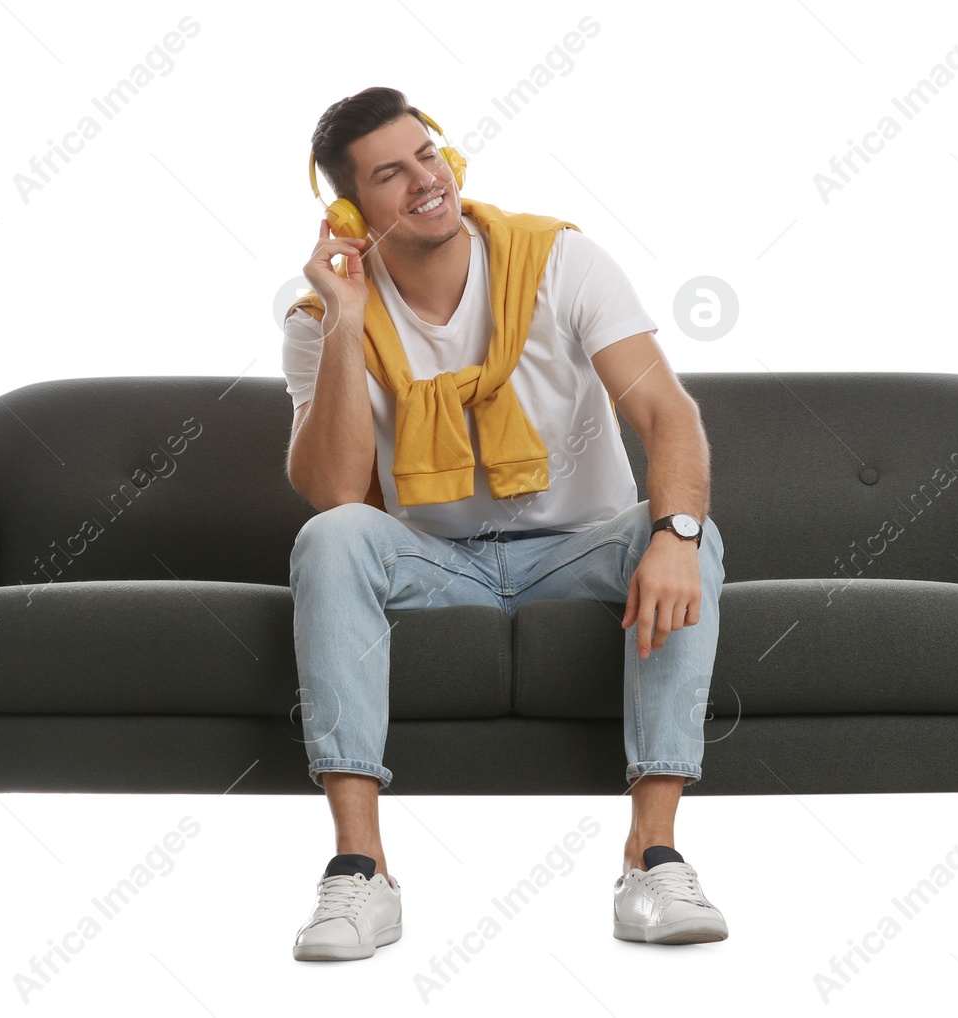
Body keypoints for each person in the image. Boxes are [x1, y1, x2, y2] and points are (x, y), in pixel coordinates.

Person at [280, 86, 727, 961]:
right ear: (348, 209)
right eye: (389, 175)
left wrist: (672, 535)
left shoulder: (559, 261)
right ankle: (360, 874)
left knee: (687, 533)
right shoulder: (318, 318)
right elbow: (336, 492)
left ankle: (653, 858)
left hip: (578, 549)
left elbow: (671, 417)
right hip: (434, 559)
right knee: (330, 540)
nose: (424, 181)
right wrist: (344, 320)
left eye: (427, 155)